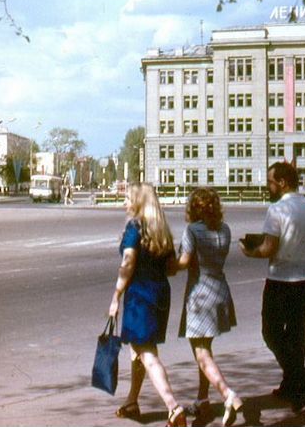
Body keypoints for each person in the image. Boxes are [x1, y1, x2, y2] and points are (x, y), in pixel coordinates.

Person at [240, 162, 305, 412]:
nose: (268, 186)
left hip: (280, 281)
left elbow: (269, 248)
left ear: (283, 183)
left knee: (272, 333)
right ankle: (293, 383)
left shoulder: (277, 210)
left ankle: (300, 381)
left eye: (270, 182)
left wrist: (249, 251)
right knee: (297, 337)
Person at [108, 182, 187, 427]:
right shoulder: (160, 228)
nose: (124, 203)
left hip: (140, 295)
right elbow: (172, 268)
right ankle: (132, 401)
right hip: (160, 292)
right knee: (139, 351)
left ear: (139, 201)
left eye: (128, 198)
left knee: (147, 353)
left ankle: (173, 408)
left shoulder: (134, 227)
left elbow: (128, 263)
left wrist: (116, 295)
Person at [176, 188, 243, 427]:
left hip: (199, 295)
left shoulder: (192, 231)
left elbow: (183, 262)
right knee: (206, 348)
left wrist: (166, 264)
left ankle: (228, 394)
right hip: (220, 291)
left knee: (200, 351)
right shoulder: (224, 229)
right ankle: (202, 399)